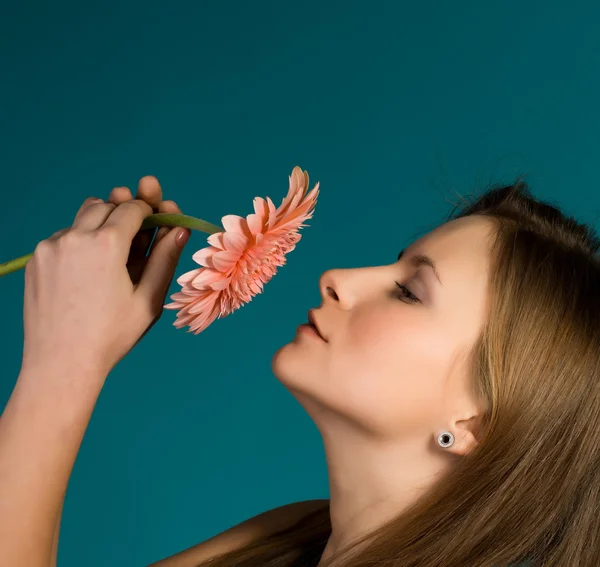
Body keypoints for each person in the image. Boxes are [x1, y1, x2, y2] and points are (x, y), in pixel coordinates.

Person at [1, 175, 599, 567]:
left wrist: (64, 362)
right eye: (395, 264)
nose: (338, 277)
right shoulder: (289, 538)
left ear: (476, 423)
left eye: (410, 292)